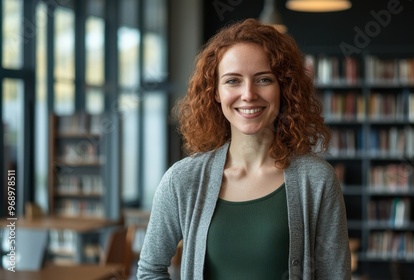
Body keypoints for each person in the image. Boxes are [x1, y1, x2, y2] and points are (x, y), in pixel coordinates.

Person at [137, 18, 351, 279]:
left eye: (263, 80)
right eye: (232, 81)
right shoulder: (183, 180)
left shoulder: (317, 180)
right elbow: (150, 270)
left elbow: (335, 275)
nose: (248, 94)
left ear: (283, 88)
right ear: (215, 91)